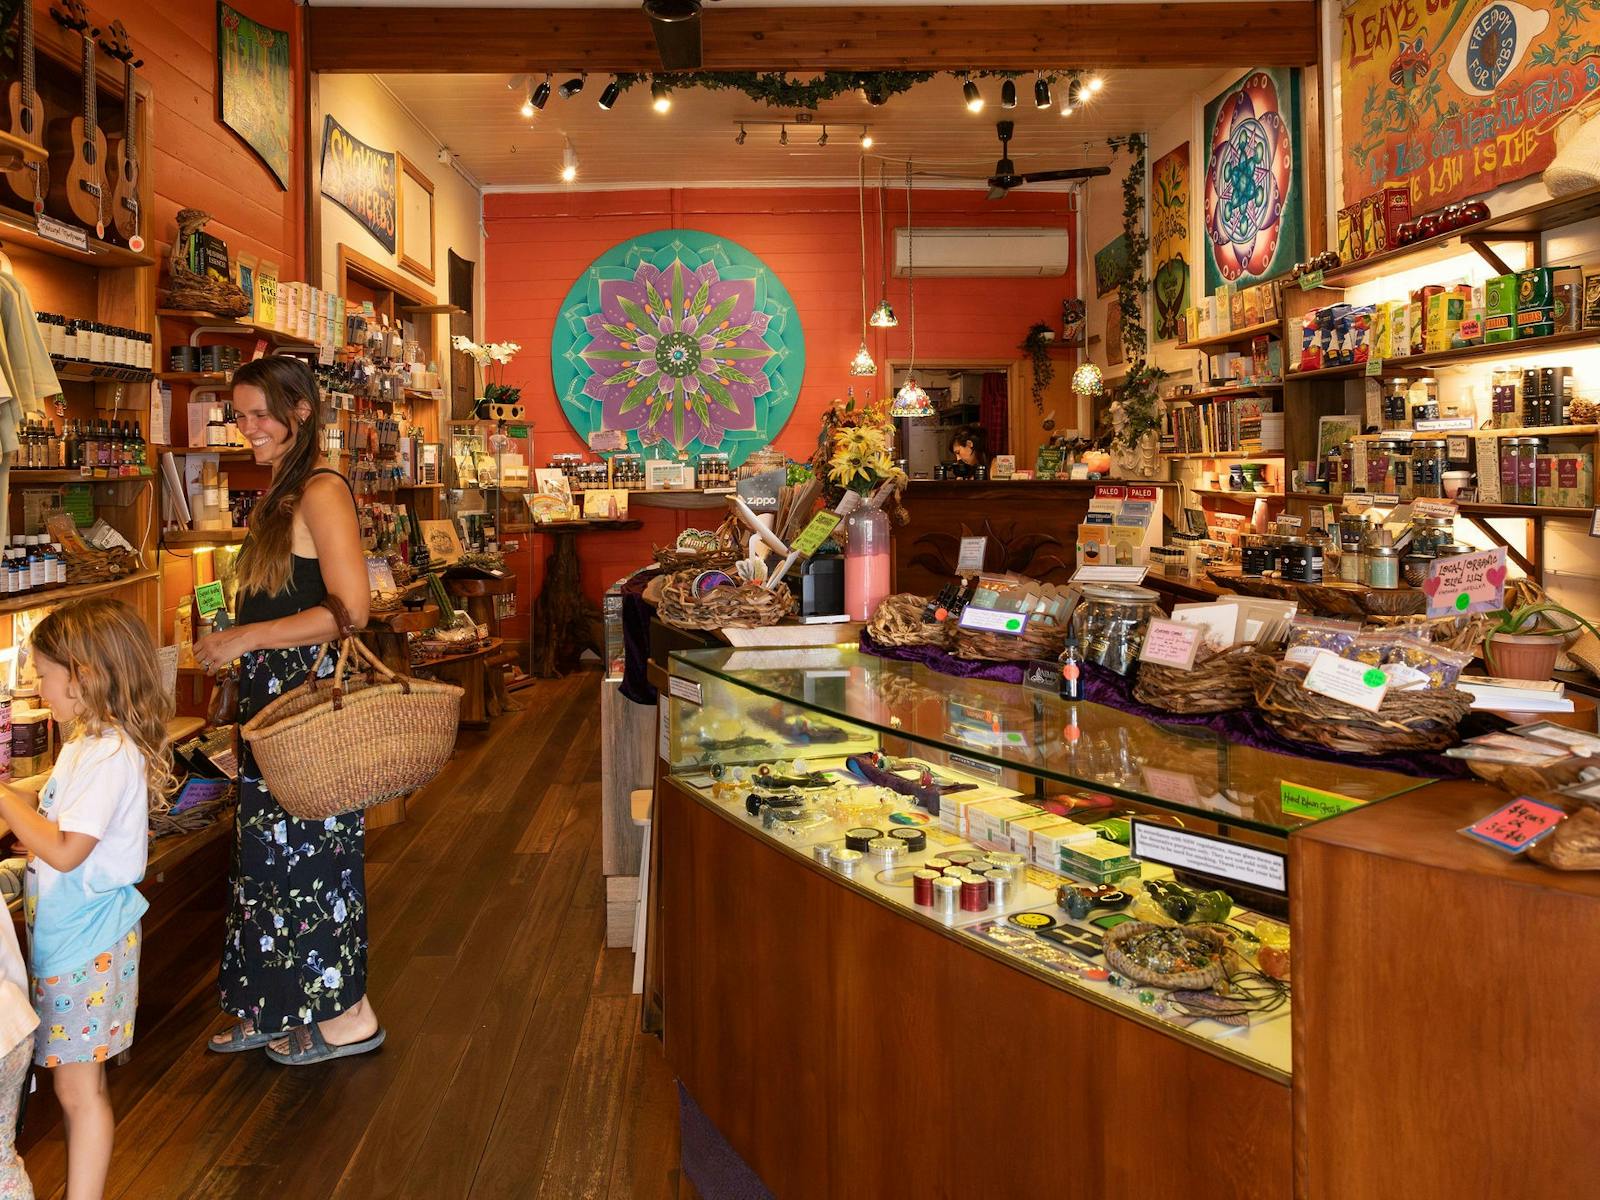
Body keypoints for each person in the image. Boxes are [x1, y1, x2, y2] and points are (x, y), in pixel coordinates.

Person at [195, 356, 380, 1066]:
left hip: (304, 702)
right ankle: (274, 1005)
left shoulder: (321, 490)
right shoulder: (281, 488)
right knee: (267, 862)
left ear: (301, 411)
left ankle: (345, 1017)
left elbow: (350, 611)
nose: (248, 430)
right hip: (271, 700)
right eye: (240, 417)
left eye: (261, 415)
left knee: (313, 859)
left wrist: (248, 636)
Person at [0, 598, 173, 1200]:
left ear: (85, 676)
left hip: (87, 946)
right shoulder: (88, 743)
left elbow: (68, 850)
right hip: (78, 939)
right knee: (79, 1087)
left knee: (79, 1091)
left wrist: (3, 802)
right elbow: (53, 805)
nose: (38, 686)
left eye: (44, 674)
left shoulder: (107, 754)